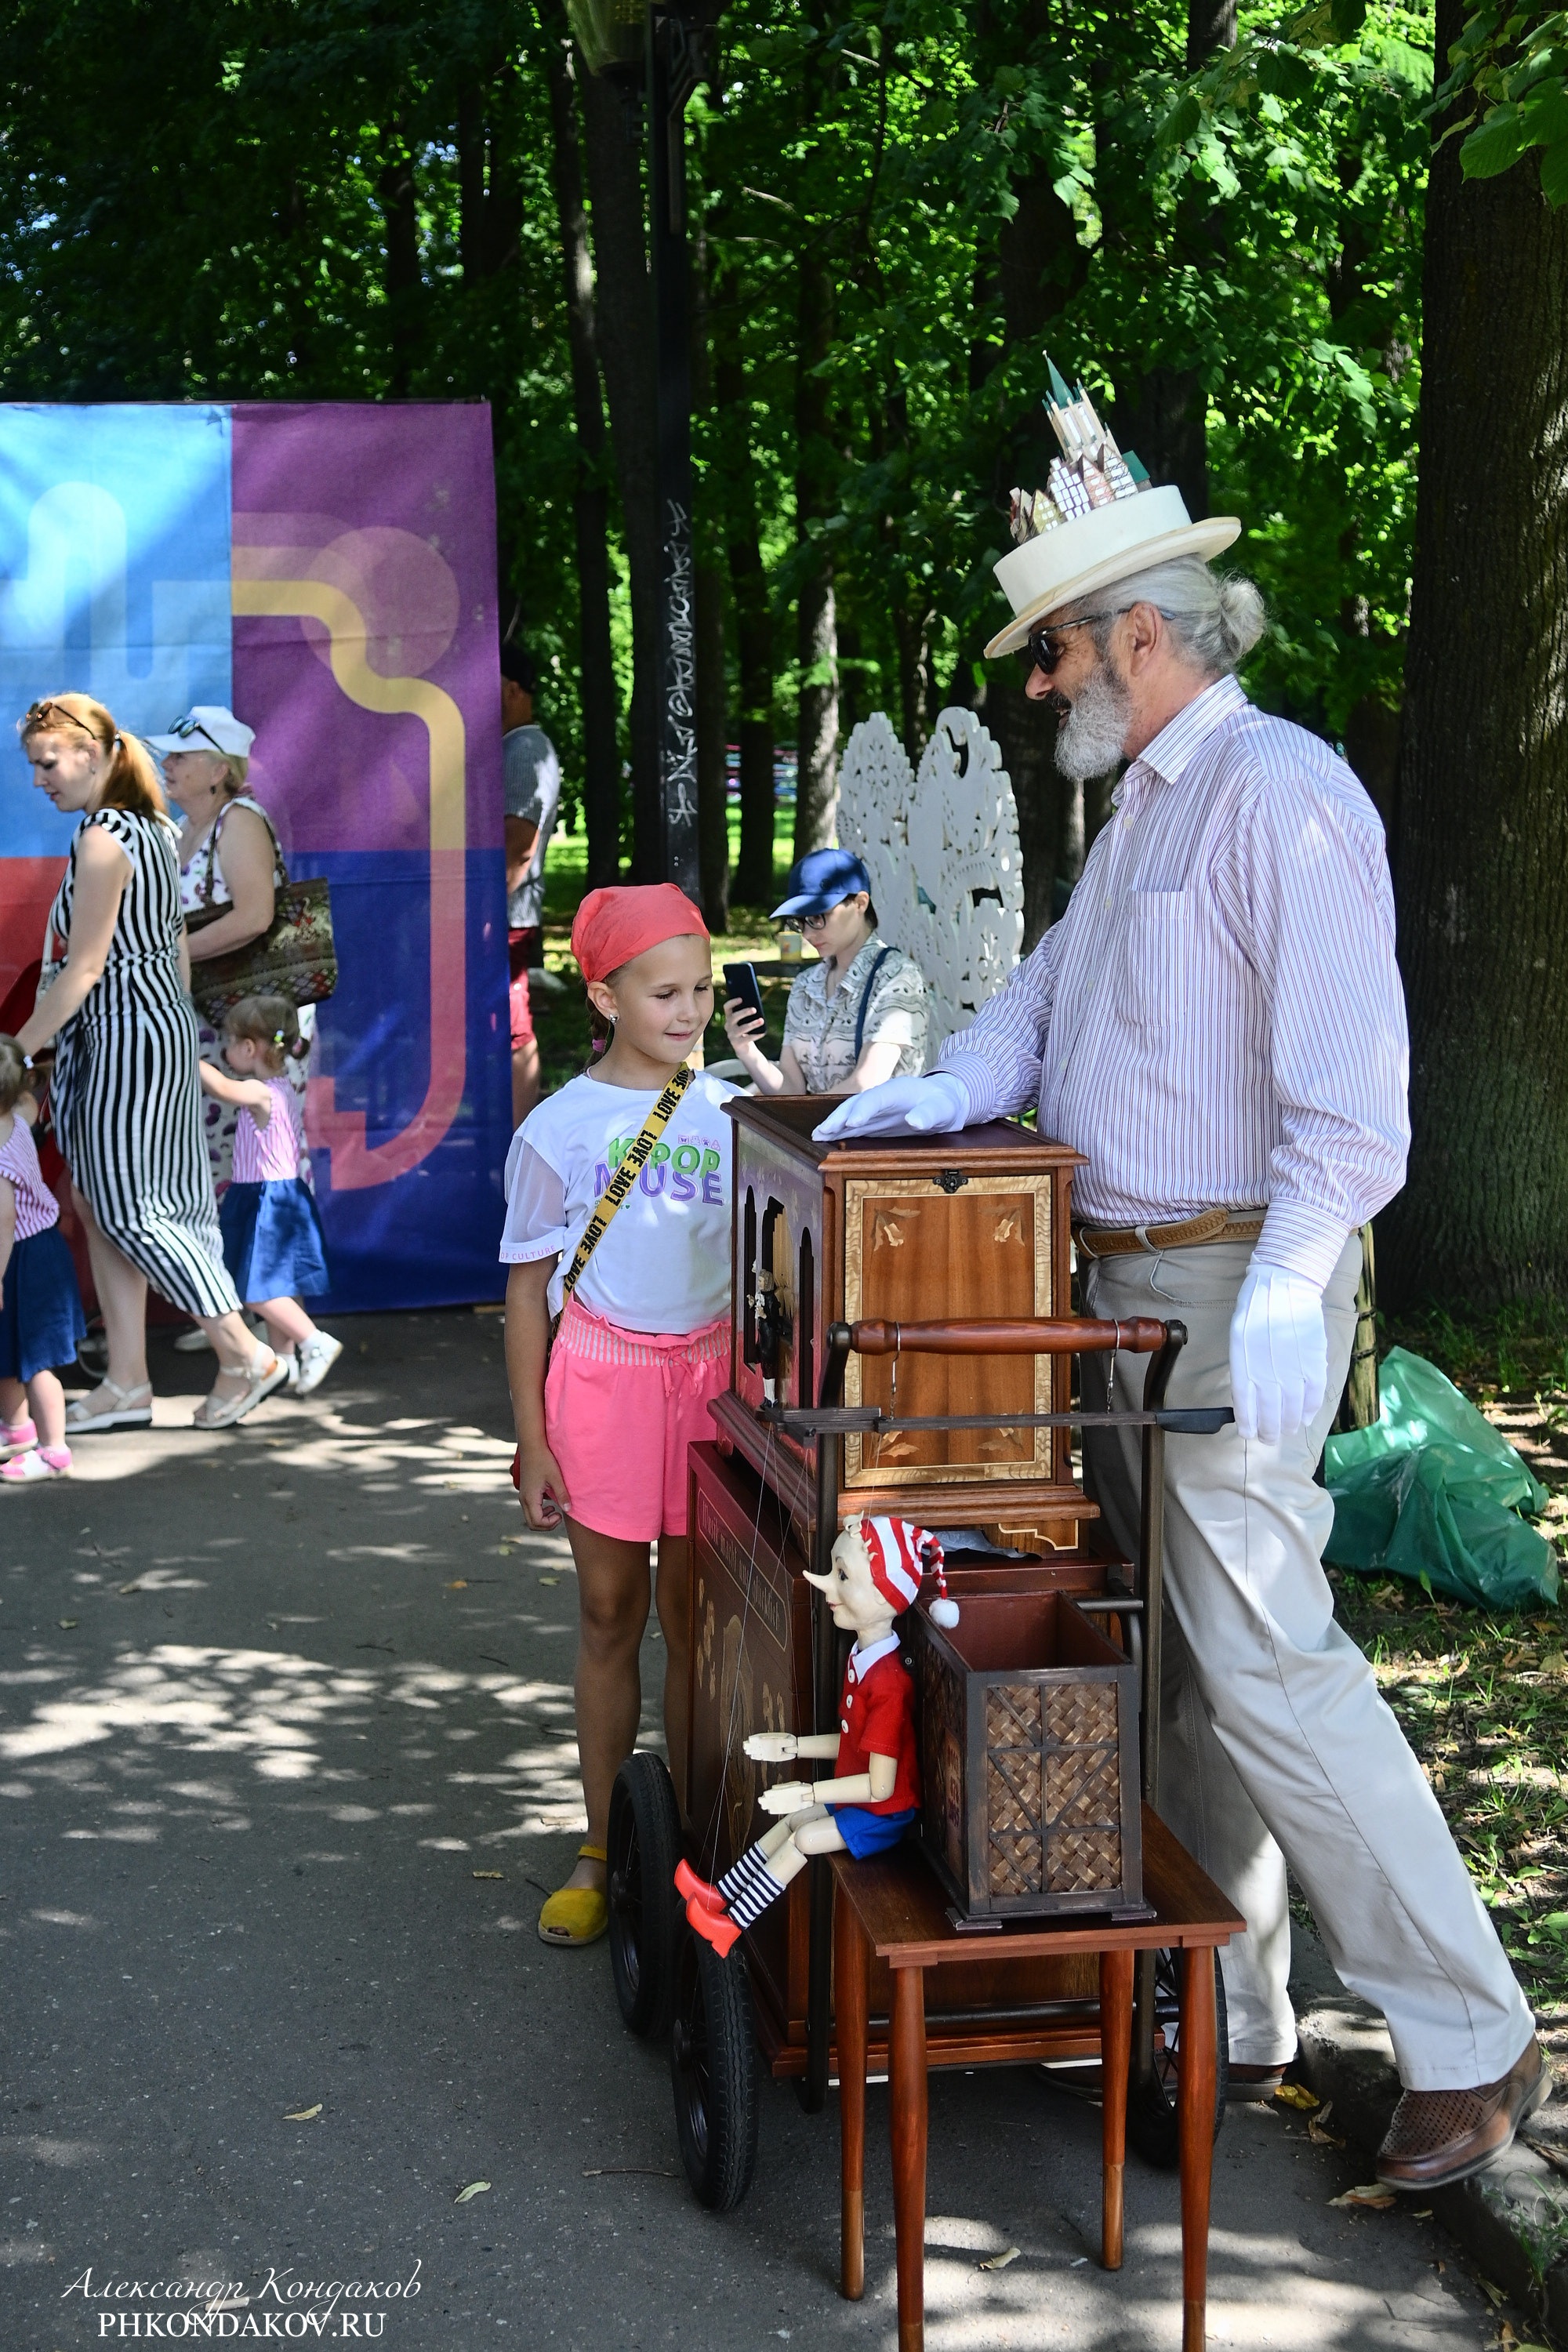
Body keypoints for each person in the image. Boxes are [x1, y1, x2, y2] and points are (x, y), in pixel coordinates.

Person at [817, 370, 1543, 2194]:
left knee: (1266, 1659)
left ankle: (1470, 2037)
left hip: (1227, 1280)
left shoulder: (1277, 792)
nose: (1036, 681)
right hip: (1127, 1290)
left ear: (1137, 635)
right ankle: (1230, 2017)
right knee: (1183, 1678)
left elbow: (1352, 1108)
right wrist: (943, 1086)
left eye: (1054, 650)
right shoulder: (1149, 806)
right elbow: (1046, 999)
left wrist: (1292, 1280)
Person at [503, 885, 732, 1948]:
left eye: (700, 990)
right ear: (604, 997)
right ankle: (602, 1845)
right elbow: (525, 1290)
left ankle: (690, 1842)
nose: (688, 1012)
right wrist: (532, 1437)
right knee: (608, 1613)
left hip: (712, 1389)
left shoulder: (731, 1112)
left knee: (695, 1622)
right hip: (599, 1384)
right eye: (663, 993)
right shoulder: (557, 1127)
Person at [13, 695, 287, 1434]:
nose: (39, 779)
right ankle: (128, 1381)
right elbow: (169, 957)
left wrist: (16, 1050)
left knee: (131, 1209)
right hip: (147, 1035)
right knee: (106, 1204)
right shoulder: (154, 829)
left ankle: (244, 1354)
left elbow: (83, 969)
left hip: (123, 1042)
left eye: (48, 762)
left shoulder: (106, 836)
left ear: (93, 754)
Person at [151, 706, 316, 1362]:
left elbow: (254, 915)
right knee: (219, 1171)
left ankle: (289, 1338)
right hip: (213, 1024)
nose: (167, 765)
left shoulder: (238, 820)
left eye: (180, 756)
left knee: (264, 1173)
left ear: (219, 770)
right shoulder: (185, 831)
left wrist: (169, 954)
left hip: (252, 1029)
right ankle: (240, 1314)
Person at [197, 996, 342, 1399]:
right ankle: (286, 1361)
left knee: (252, 1289)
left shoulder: (261, 1092)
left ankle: (314, 1341)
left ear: (249, 1048)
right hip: (275, 1197)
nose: (225, 1049)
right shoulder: (282, 1087)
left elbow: (222, 1087)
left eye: (230, 1041)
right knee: (281, 1283)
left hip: (268, 1200)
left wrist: (186, 1055)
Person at [722, 847, 927, 1094]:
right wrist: (746, 1049)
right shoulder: (805, 984)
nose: (808, 933)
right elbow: (791, 1090)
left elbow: (865, 1085)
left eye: (818, 917)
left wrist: (801, 1116)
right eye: (800, 921)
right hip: (813, 1121)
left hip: (881, 1122)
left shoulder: (897, 977)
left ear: (860, 903)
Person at [0, 1036, 85, 1485]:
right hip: (34, 1252)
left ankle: (55, 1452)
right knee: (8, 1348)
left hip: (23, 1258)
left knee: (36, 1362)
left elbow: (4, 1222)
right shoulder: (18, 1116)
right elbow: (30, 1100)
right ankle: (16, 1428)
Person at [500, 647, 562, 1127]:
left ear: (511, 689)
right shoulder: (519, 746)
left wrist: (487, 909)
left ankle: (519, 1139)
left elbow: (520, 843)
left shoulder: (524, 749)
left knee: (514, 1026)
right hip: (506, 913)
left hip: (506, 916)